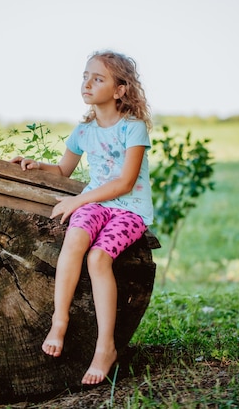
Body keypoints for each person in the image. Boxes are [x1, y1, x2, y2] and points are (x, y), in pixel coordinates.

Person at [11, 50, 153, 386]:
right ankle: (59, 319)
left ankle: (106, 347)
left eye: (98, 78)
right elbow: (63, 169)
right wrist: (36, 164)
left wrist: (78, 200)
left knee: (98, 257)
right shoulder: (84, 130)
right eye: (85, 76)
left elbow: (125, 182)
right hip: (97, 203)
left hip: (129, 208)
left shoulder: (133, 129)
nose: (87, 83)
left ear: (120, 90)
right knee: (75, 240)